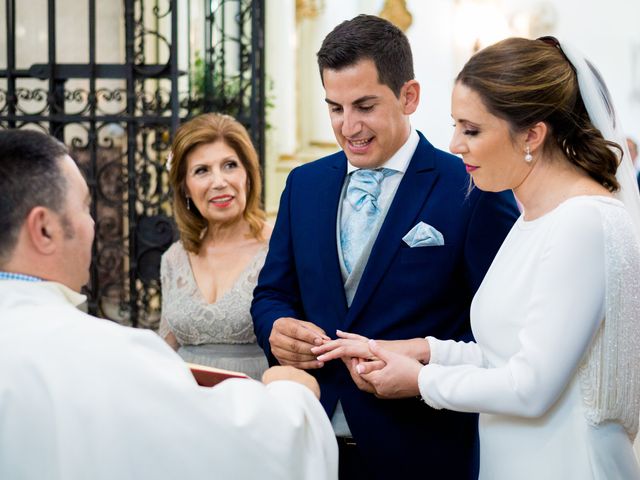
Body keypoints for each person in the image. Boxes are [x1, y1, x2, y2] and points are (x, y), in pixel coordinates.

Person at [315, 37, 640, 479]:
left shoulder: (582, 222)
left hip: (564, 460)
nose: (454, 144)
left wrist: (420, 381)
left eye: (471, 130)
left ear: (531, 134)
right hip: (513, 456)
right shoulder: (534, 219)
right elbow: (500, 355)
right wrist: (421, 351)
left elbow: (532, 386)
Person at [251, 14, 519, 479]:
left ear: (409, 96)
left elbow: (502, 332)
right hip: (311, 443)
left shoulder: (471, 188)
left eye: (365, 106)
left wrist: (419, 365)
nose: (348, 126)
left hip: (421, 450)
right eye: (335, 108)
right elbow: (271, 293)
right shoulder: (304, 185)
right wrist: (275, 327)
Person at [0, 129, 338, 480]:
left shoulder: (282, 244)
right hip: (226, 413)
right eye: (85, 207)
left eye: (230, 165)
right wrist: (291, 392)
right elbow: (266, 444)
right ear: (43, 230)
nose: (94, 223)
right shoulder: (104, 349)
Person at [159, 113, 270, 379]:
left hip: (260, 403)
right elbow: (166, 347)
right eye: (202, 171)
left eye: (230, 165)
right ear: (185, 188)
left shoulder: (281, 247)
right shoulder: (174, 258)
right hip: (187, 404)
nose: (219, 182)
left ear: (248, 175)